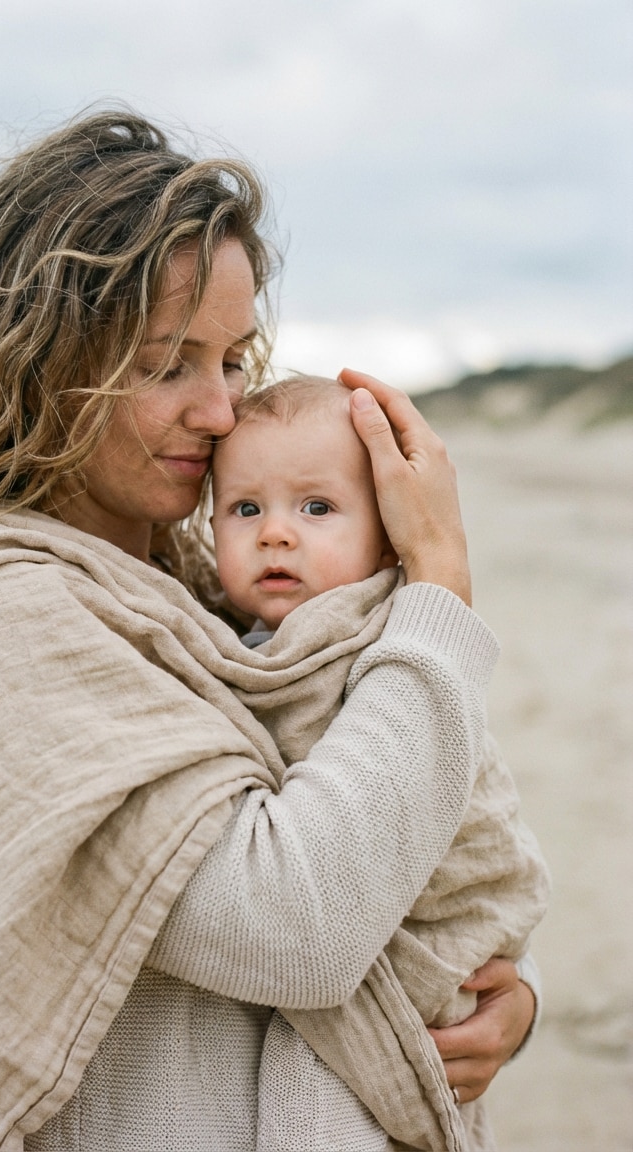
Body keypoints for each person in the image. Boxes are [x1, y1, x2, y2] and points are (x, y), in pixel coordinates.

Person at [0, 110, 537, 1152]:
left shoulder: (197, 590)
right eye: (165, 365)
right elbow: (296, 925)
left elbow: (400, 826)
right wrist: (440, 591)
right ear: (40, 362)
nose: (223, 411)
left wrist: (495, 989)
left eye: (231, 360)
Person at [209, 373, 549, 1148]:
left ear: (389, 533)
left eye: (317, 508)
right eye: (245, 509)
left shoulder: (376, 634)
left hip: (426, 936)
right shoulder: (235, 641)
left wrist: (520, 984)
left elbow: (442, 792)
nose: (276, 533)